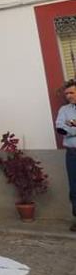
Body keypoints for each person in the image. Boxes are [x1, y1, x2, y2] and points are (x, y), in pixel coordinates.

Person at [55, 79, 76, 232]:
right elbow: (60, 127)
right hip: (72, 154)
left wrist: (72, 126)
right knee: (74, 187)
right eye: (67, 93)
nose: (68, 96)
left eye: (71, 92)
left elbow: (66, 128)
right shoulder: (64, 110)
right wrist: (72, 128)